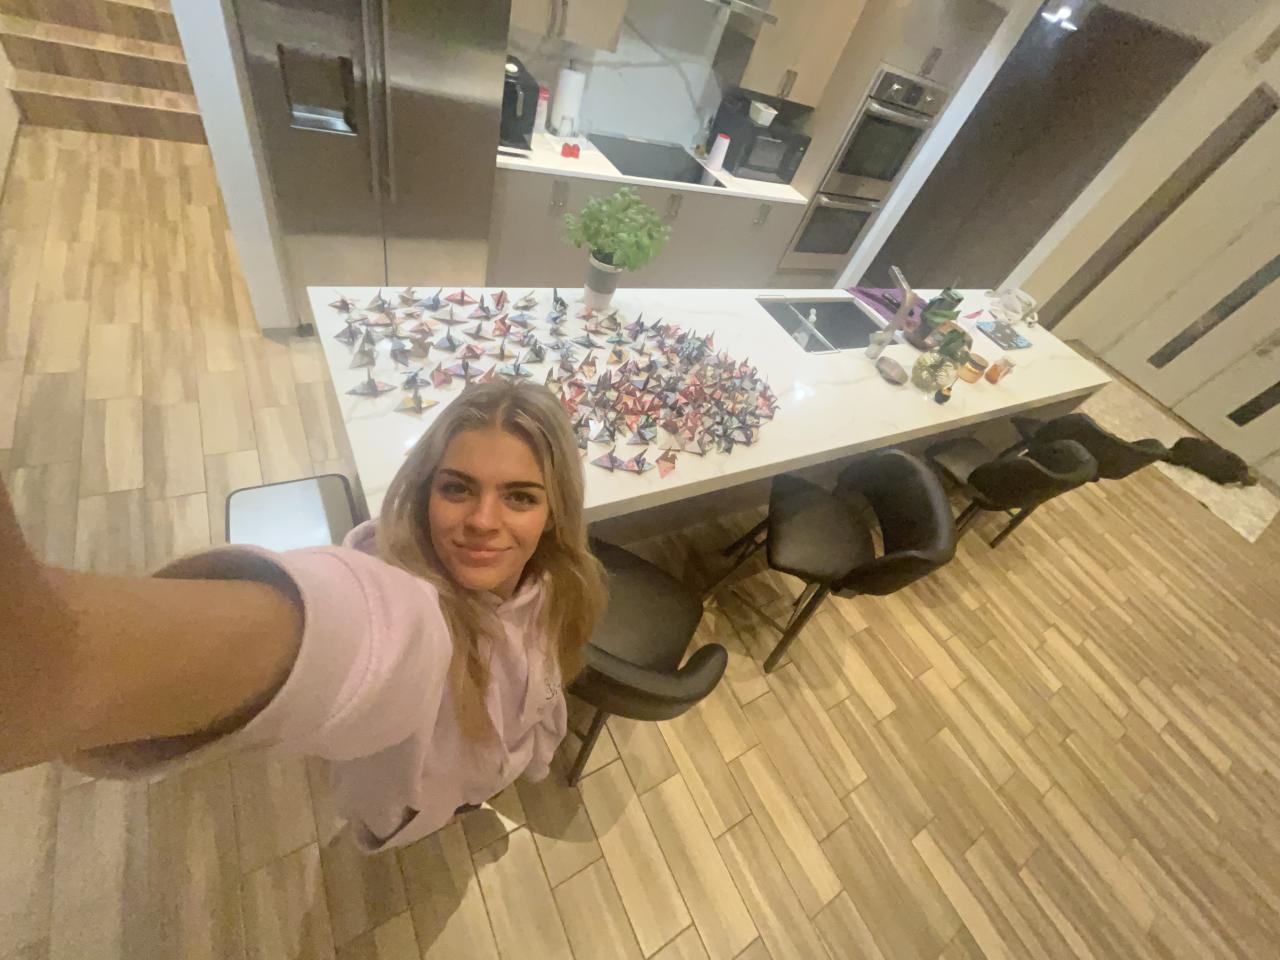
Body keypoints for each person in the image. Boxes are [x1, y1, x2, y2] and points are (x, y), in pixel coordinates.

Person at [0, 381, 608, 851]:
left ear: (554, 511)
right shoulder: (408, 609)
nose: (482, 521)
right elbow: (359, 631)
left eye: (519, 496)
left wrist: (532, 755)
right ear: (425, 491)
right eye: (457, 488)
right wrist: (67, 667)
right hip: (420, 805)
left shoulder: (556, 582)